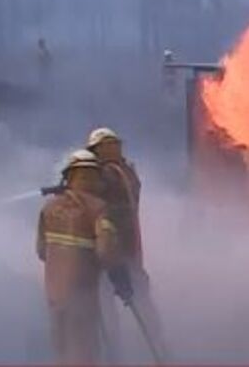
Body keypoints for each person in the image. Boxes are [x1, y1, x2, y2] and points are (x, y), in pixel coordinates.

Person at [36, 149, 129, 365]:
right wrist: (121, 279)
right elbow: (106, 252)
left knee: (62, 351)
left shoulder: (48, 209)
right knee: (84, 352)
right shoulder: (98, 209)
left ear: (68, 176)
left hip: (55, 296)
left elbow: (41, 251)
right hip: (83, 296)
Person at [85, 127, 168, 360]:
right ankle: (159, 348)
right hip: (127, 249)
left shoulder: (109, 174)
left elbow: (94, 193)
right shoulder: (126, 171)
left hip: (111, 250)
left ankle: (116, 355)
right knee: (140, 299)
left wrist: (73, 186)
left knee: (107, 306)